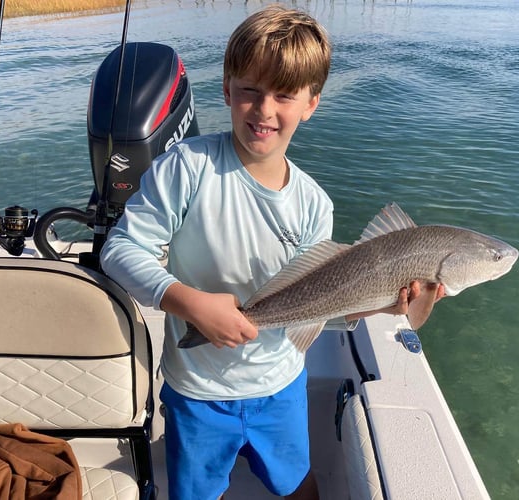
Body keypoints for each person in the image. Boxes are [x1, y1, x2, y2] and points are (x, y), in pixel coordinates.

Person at [101, 6, 443, 499]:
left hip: (280, 385)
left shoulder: (313, 204)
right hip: (197, 393)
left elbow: (319, 305)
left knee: (298, 485)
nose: (264, 110)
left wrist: (391, 303)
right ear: (226, 91)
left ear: (311, 104)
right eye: (250, 91)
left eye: (284, 95)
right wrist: (186, 301)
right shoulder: (187, 166)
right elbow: (122, 248)